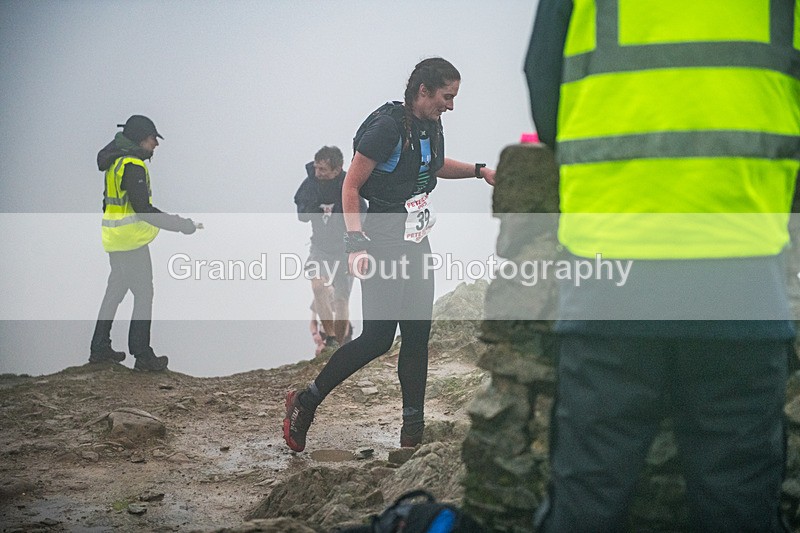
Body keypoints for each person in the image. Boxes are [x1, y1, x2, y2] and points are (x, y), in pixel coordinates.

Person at [525, 1, 799, 531]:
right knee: (739, 502)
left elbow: (543, 78)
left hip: (609, 270)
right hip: (742, 269)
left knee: (587, 498)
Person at [283, 57, 496, 452]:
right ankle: (306, 402)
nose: (451, 105)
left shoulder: (431, 124)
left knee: (417, 335)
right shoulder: (386, 129)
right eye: (447, 97)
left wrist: (478, 171)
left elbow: (431, 165)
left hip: (417, 237)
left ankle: (411, 433)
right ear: (423, 91)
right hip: (380, 236)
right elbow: (350, 186)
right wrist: (356, 242)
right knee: (378, 339)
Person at [90, 115, 200, 371]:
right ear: (141, 138)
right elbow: (143, 209)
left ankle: (99, 347)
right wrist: (180, 225)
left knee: (114, 293)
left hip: (115, 240)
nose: (156, 145)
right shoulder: (132, 166)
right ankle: (142, 354)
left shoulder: (115, 163)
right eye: (153, 138)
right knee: (143, 295)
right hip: (131, 244)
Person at [294, 146, 364, 350]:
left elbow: (362, 217)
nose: (318, 173)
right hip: (320, 248)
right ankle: (331, 339)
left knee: (341, 300)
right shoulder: (310, 184)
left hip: (344, 248)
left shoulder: (348, 185)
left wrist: (356, 250)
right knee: (318, 287)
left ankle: (339, 348)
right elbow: (301, 215)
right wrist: (312, 206)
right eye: (316, 168)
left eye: (323, 169)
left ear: (337, 169)